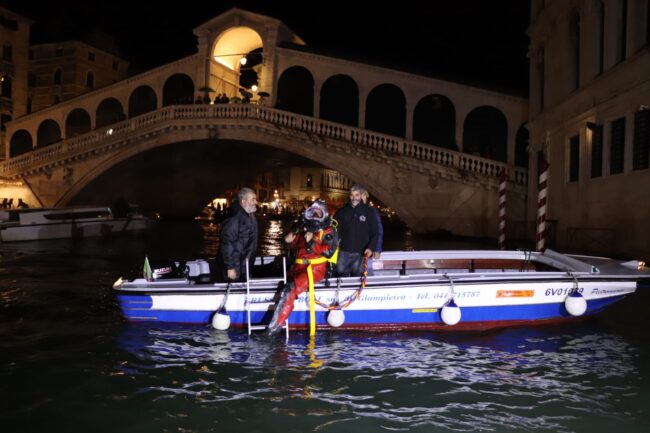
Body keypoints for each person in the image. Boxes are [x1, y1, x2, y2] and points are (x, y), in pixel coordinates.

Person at [266, 200, 339, 334]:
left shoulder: (328, 231)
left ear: (324, 215)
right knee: (281, 284)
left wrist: (311, 241)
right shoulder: (302, 228)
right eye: (312, 212)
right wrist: (295, 229)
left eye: (318, 213)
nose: (315, 216)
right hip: (297, 267)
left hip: (315, 269)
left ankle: (272, 330)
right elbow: (289, 241)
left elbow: (329, 252)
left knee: (290, 289)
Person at [334, 184, 379, 277]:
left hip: (361, 254)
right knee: (341, 281)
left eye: (357, 195)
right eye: (352, 195)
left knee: (358, 280)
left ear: (361, 195)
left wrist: (371, 248)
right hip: (343, 253)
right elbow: (334, 230)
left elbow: (375, 233)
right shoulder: (341, 212)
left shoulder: (369, 212)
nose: (354, 198)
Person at [217, 187, 258, 282]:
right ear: (243, 201)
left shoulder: (251, 216)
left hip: (245, 265)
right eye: (253, 199)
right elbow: (227, 243)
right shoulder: (234, 218)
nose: (256, 202)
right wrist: (230, 267)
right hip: (235, 267)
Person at [360, 190, 383, 275]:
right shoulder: (353, 210)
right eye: (359, 195)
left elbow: (378, 231)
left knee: (367, 272)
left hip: (368, 249)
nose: (361, 197)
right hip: (355, 251)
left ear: (366, 196)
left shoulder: (372, 211)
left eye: (363, 195)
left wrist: (377, 249)